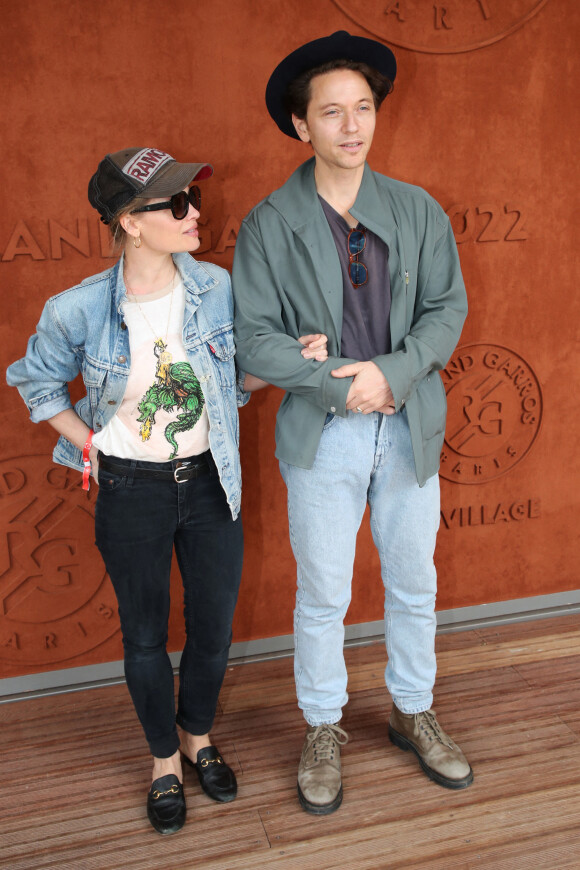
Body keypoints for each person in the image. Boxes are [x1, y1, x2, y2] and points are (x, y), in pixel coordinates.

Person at [6, 147, 327, 834]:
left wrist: (289, 362)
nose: (194, 214)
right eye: (175, 204)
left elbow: (235, 384)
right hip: (131, 491)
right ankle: (162, 760)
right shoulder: (77, 310)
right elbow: (32, 382)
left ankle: (197, 735)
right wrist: (87, 442)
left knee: (212, 631)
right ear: (129, 221)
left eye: (195, 200)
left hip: (212, 484)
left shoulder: (217, 289)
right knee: (146, 636)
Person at [232, 32, 472, 815]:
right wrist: (341, 385)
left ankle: (412, 709)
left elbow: (447, 311)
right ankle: (323, 726)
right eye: (331, 113)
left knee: (413, 583)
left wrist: (389, 374)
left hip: (408, 424)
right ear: (301, 126)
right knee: (323, 592)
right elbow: (255, 337)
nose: (351, 126)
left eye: (362, 109)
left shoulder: (417, 208)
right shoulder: (272, 223)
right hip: (322, 431)